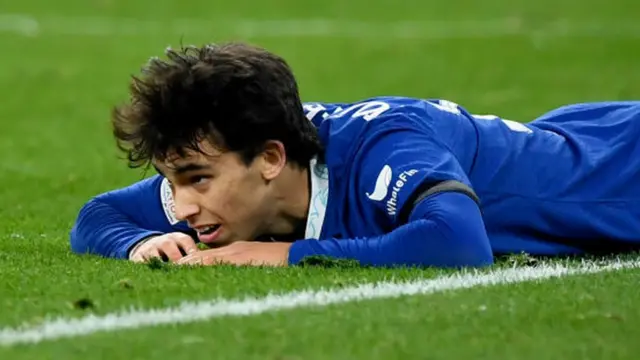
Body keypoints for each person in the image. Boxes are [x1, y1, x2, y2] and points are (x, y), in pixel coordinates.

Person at [70, 42, 640, 268]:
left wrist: (283, 255)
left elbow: (458, 242)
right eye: (172, 181)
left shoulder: (381, 150)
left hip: (624, 166)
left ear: (270, 159)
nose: (183, 206)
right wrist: (141, 241)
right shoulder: (229, 161)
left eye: (197, 179)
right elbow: (98, 215)